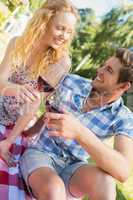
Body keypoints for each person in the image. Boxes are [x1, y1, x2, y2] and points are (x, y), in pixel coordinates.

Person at [21, 48, 133, 200]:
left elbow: (123, 171)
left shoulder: (123, 117)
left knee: (106, 183)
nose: (99, 70)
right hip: (41, 152)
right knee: (55, 190)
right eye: (103, 65)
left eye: (109, 70)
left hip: (74, 169)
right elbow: (42, 104)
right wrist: (27, 132)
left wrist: (79, 132)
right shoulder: (70, 82)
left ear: (123, 86)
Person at [0, 0, 78, 199]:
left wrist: (7, 143)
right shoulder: (17, 43)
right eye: (60, 28)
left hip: (15, 119)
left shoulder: (60, 61)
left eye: (69, 31)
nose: (64, 36)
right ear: (45, 22)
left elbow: (33, 105)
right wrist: (16, 89)